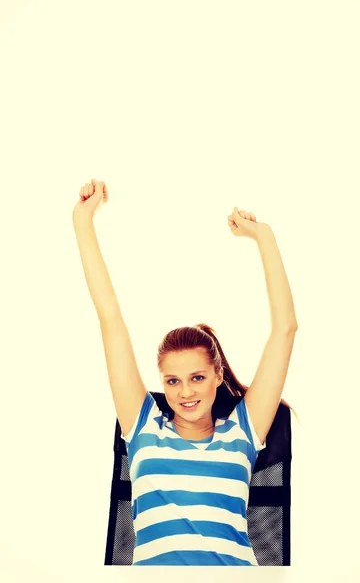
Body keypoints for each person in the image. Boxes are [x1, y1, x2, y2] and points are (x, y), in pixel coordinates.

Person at [72, 178, 298, 566]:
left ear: (217, 376)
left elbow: (285, 329)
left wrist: (264, 237)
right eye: (172, 381)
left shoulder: (243, 431)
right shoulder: (143, 426)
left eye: (196, 377)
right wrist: (83, 220)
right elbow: (110, 318)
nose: (184, 392)